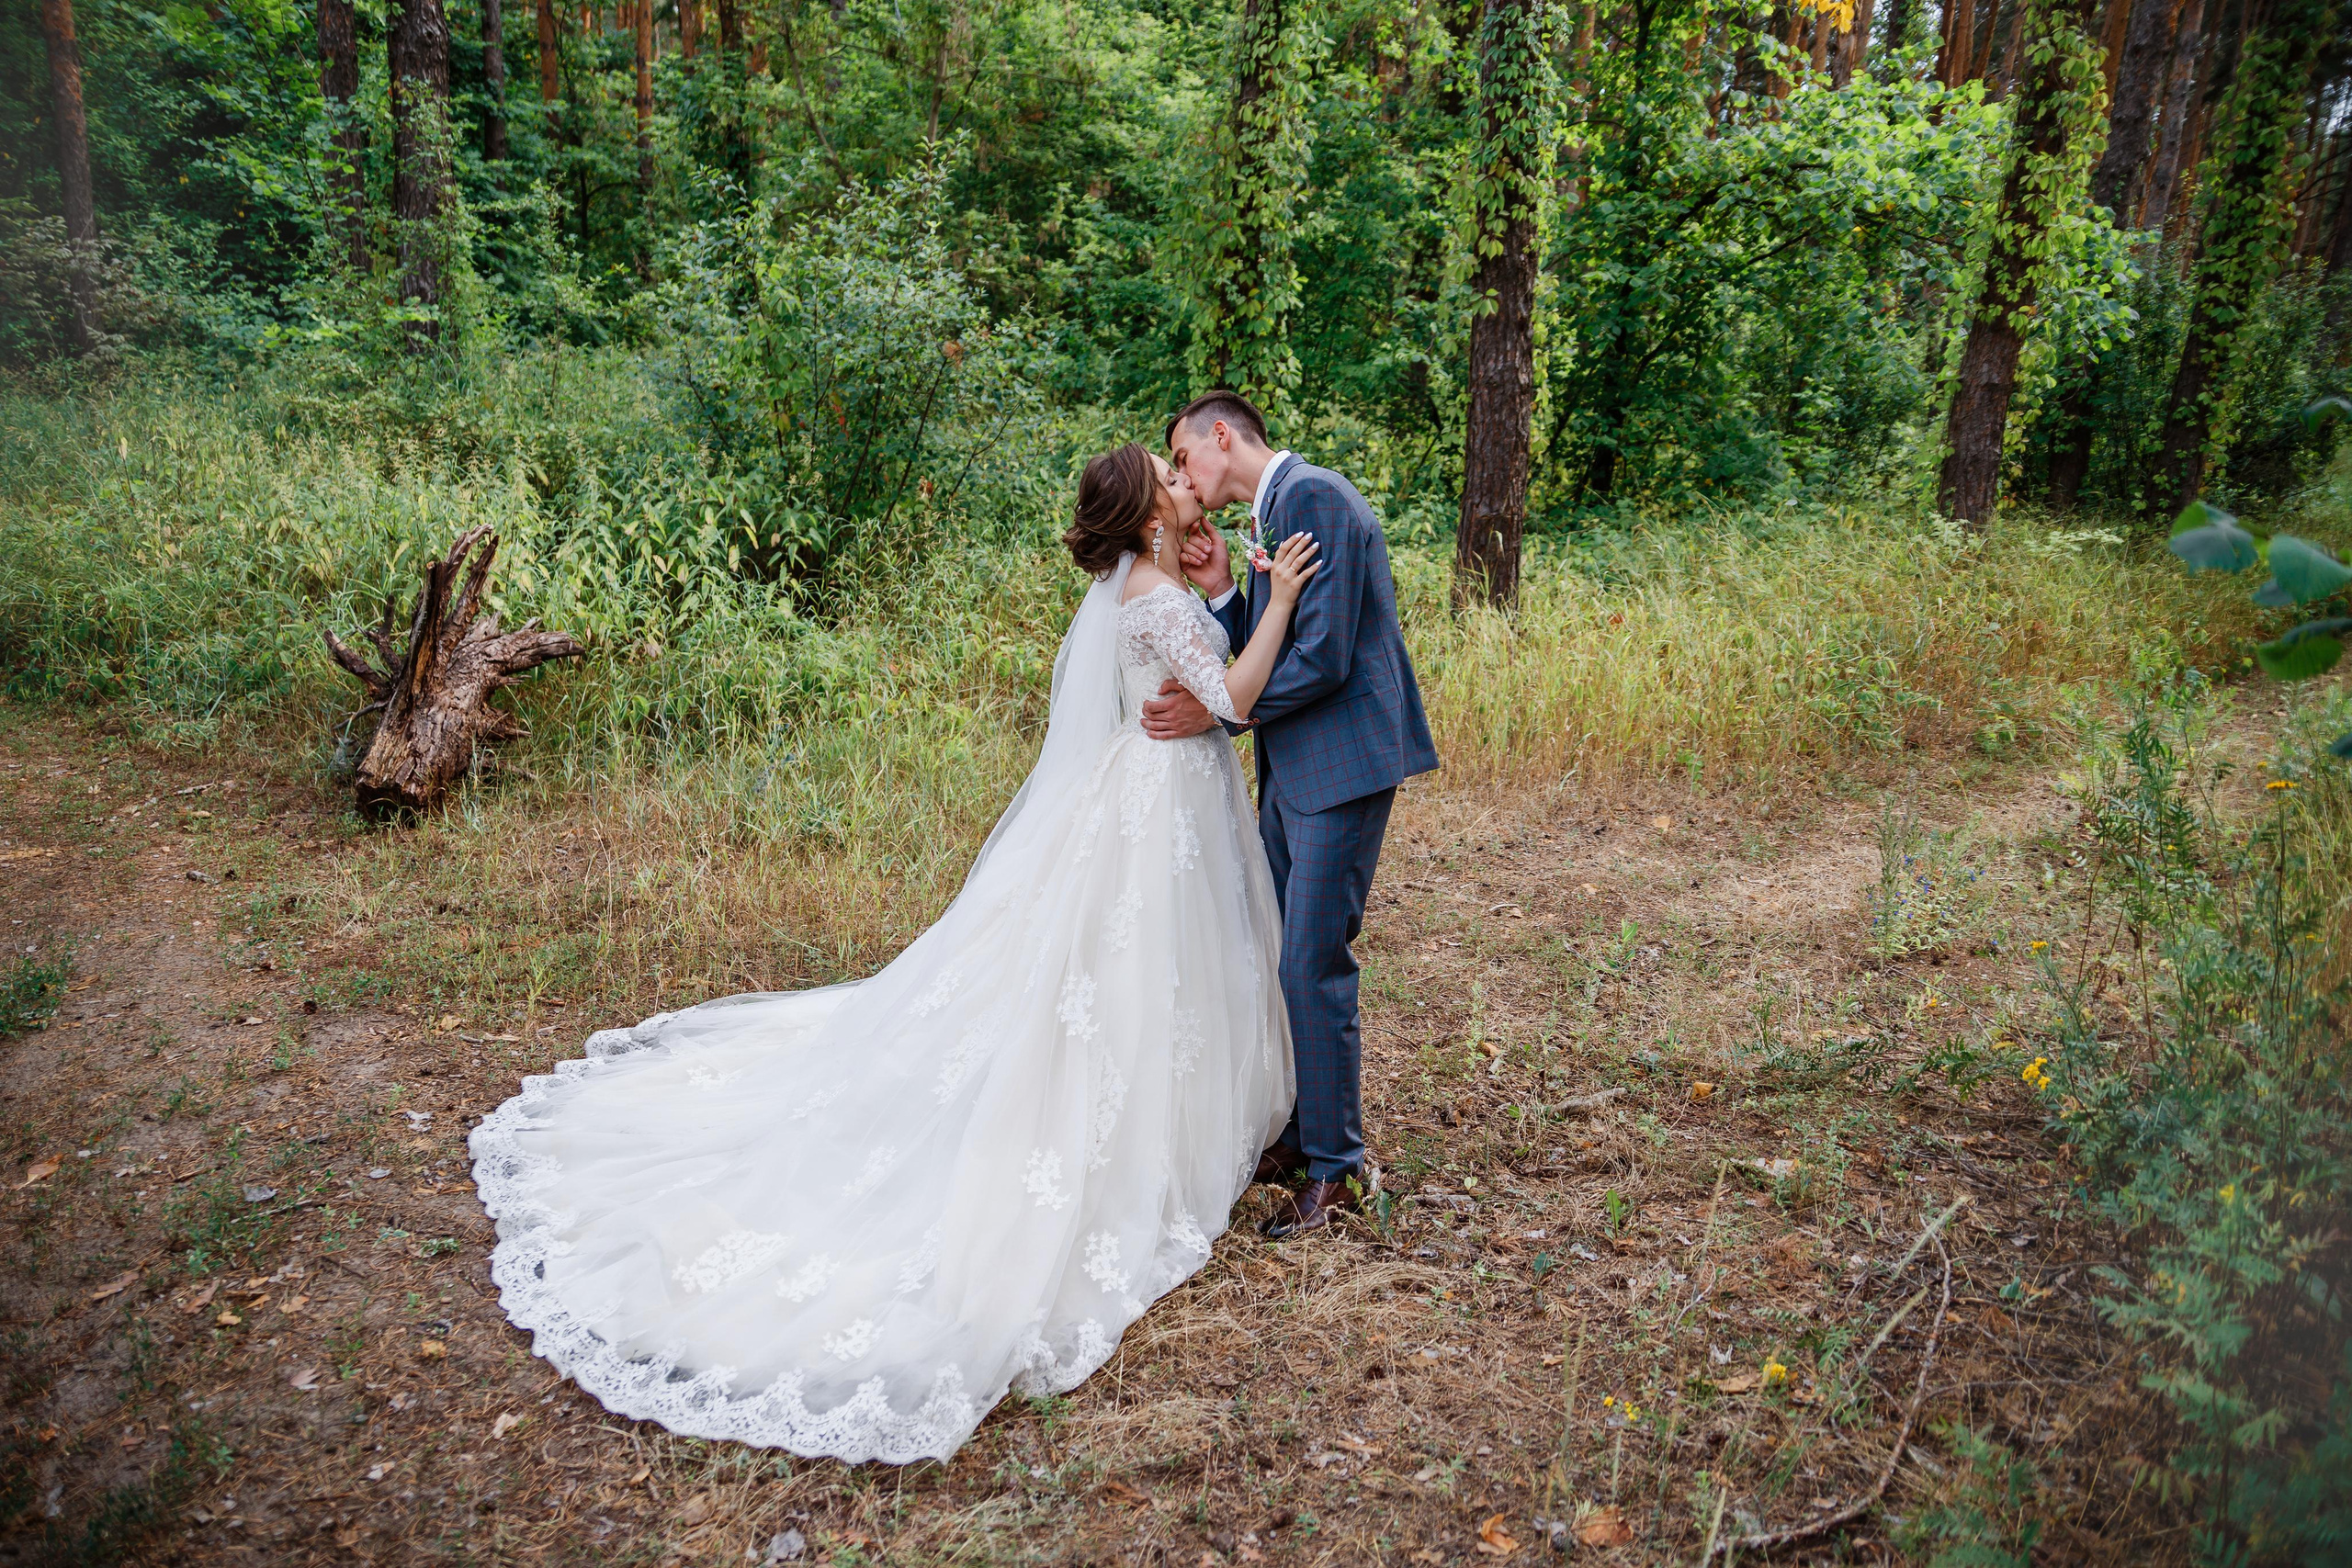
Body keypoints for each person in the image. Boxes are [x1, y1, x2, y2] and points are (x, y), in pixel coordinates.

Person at [470, 442, 1320, 1463]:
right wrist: (1276, 602)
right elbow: (1229, 698)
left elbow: (1193, 670)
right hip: (1158, 799)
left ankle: (1171, 1109)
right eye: (1169, 477)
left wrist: (1218, 589)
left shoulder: (1143, 586)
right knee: (1130, 975)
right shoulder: (1152, 597)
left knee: (1133, 977)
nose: (1187, 482)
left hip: (1154, 791)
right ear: (1147, 518)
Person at [1150, 390, 1440, 1239]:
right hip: (1298, 765)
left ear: (1221, 436)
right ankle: (1306, 1130)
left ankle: (1338, 1168)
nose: (1183, 476)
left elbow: (1323, 655)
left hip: (1341, 765)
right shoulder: (1274, 510)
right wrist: (1223, 589)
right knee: (1282, 950)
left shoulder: (1313, 496)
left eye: (1183, 456)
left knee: (1313, 958)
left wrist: (1221, 711)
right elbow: (1273, 639)